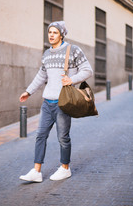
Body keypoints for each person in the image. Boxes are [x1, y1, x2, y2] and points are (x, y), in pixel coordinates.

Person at [19, 21, 93, 182]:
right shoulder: (47, 54)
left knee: (62, 137)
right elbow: (41, 76)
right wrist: (28, 91)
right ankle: (36, 171)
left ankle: (65, 167)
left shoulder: (73, 50)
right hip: (47, 103)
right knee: (40, 135)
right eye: (49, 32)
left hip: (63, 102)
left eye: (54, 32)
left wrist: (71, 79)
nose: (51, 35)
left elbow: (88, 70)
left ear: (61, 34)